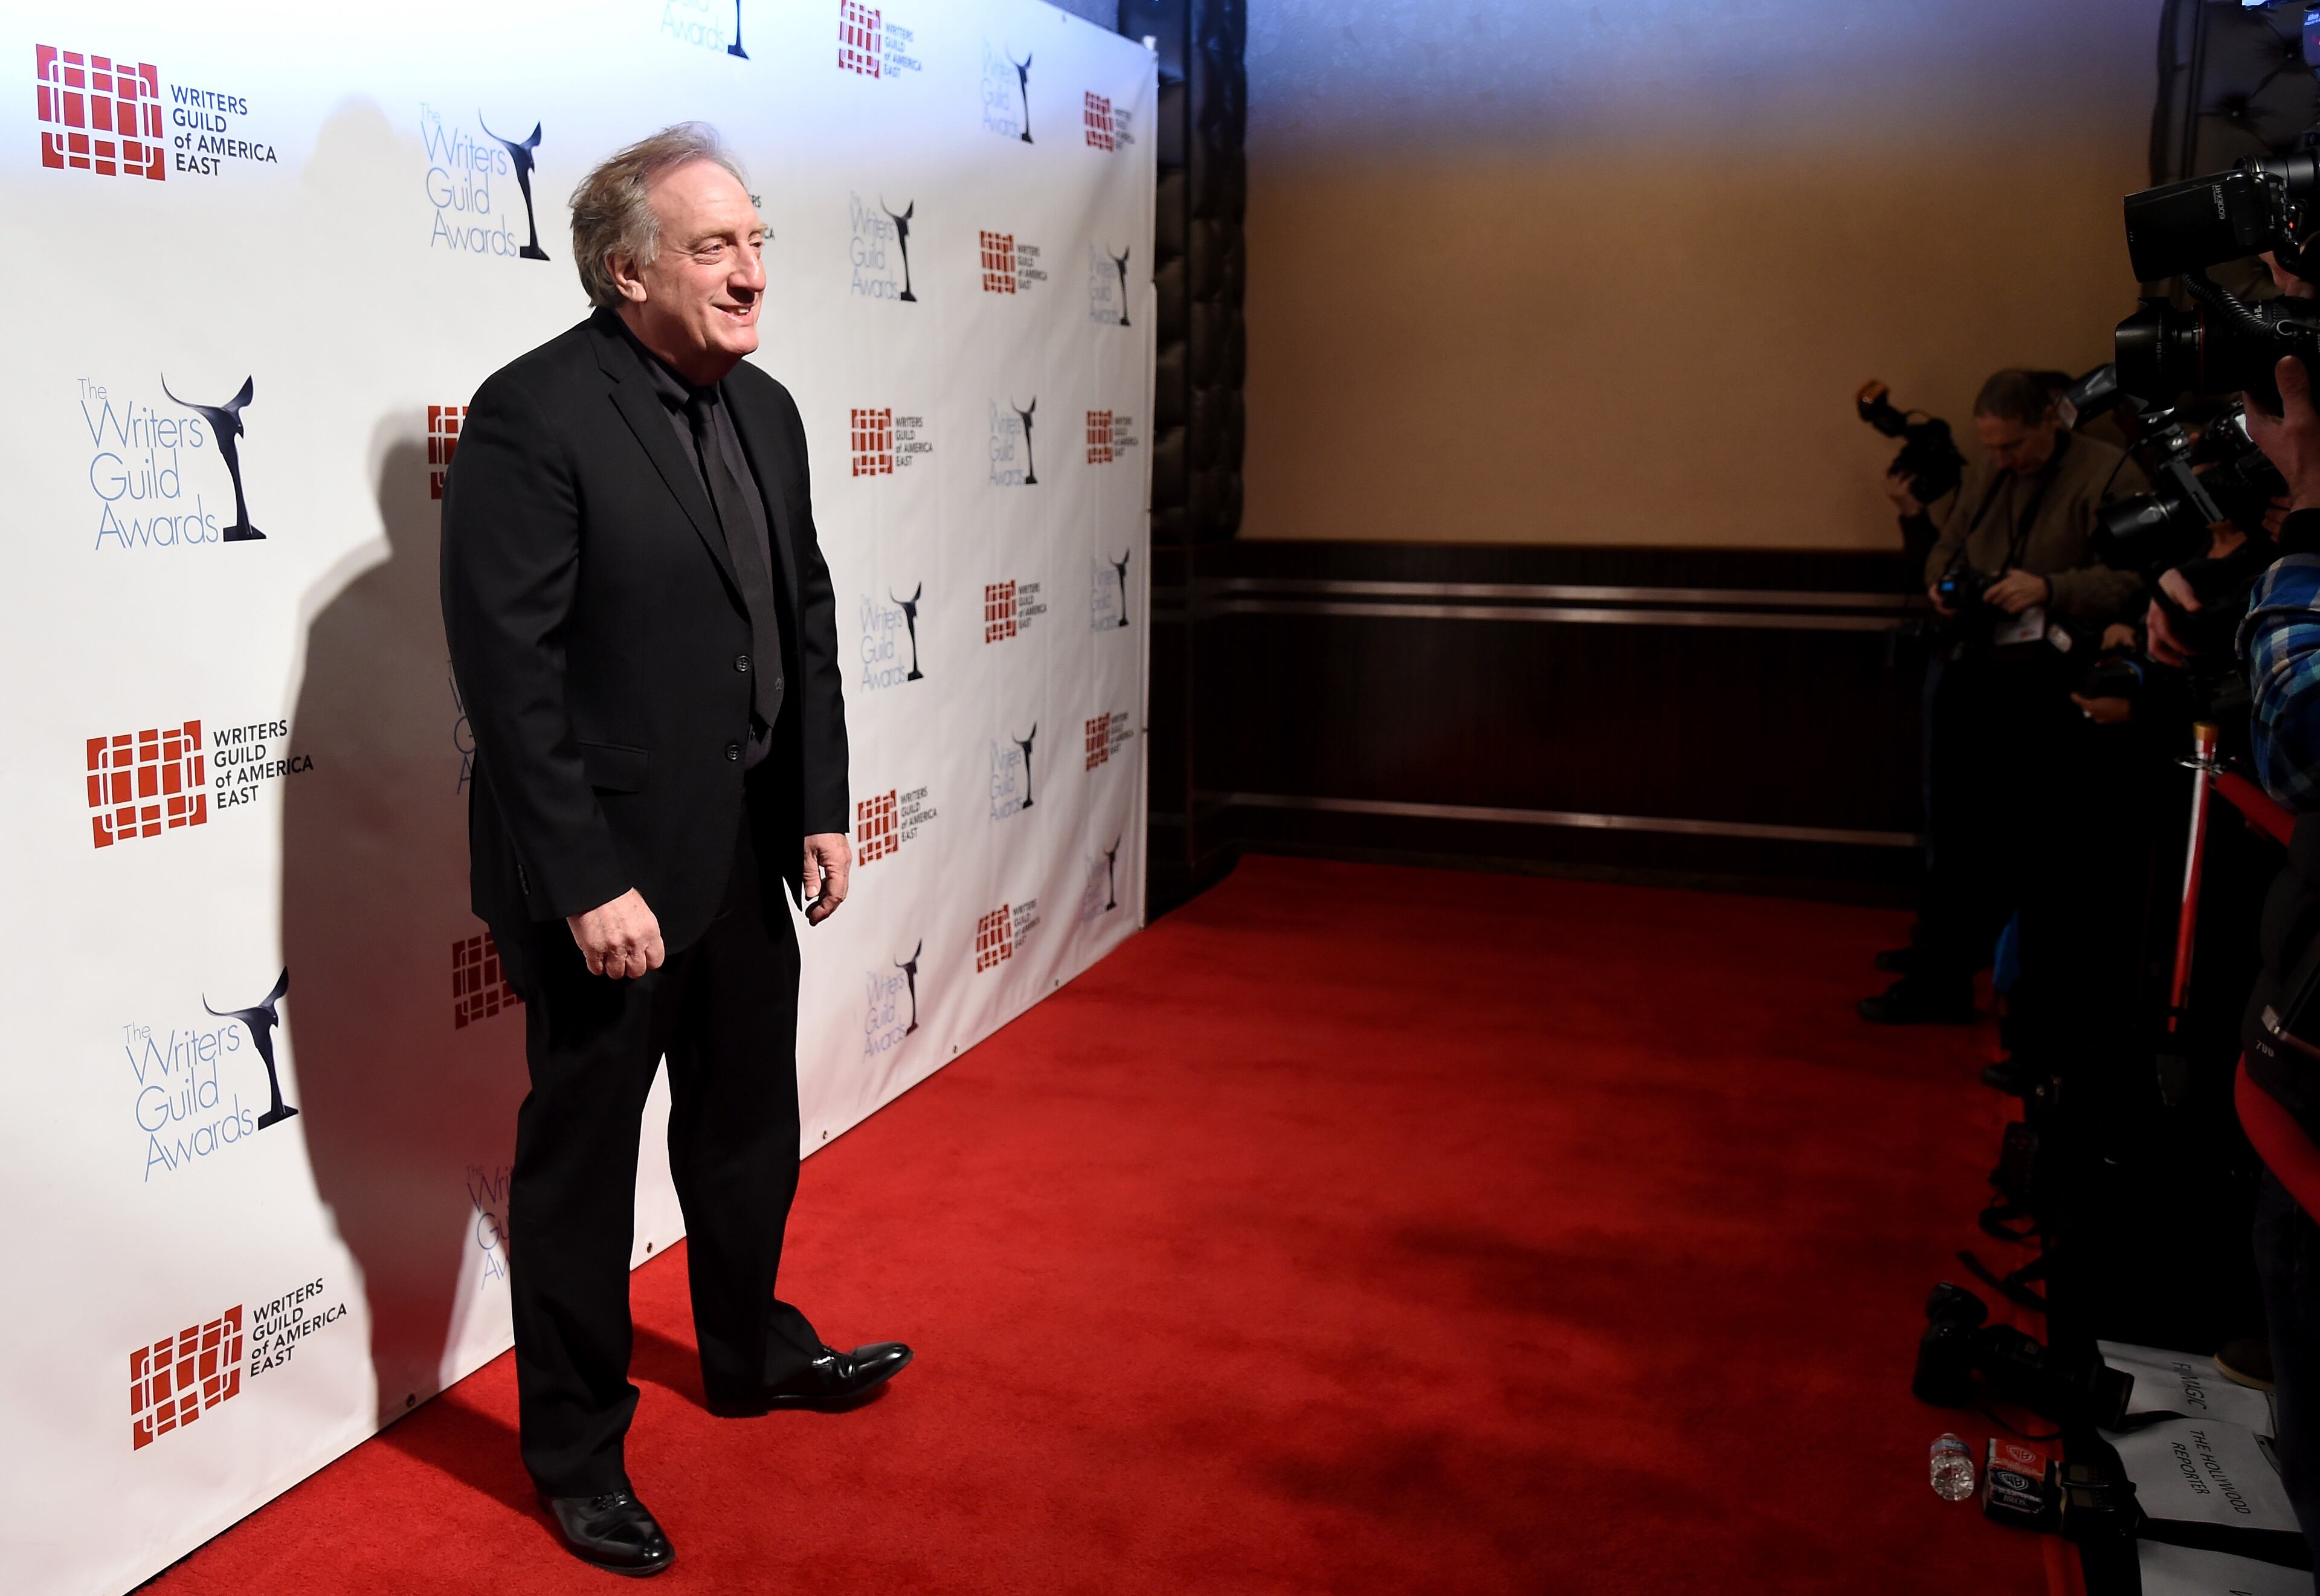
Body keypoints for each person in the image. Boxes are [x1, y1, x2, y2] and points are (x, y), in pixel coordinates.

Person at [440, 123, 910, 1578]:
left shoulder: (766, 410)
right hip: (611, 887)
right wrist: (584, 880)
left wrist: (819, 801)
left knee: (743, 1136)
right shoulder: (534, 413)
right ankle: (577, 1452)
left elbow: (806, 615)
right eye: (715, 247)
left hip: (749, 850)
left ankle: (748, 1349)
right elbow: (507, 675)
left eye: (757, 240)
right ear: (625, 268)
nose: (751, 269)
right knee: (582, 1177)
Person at [1861, 368, 2147, 1023]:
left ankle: (2020, 997)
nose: (2002, 459)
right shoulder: (1990, 475)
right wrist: (1944, 588)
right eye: (1992, 446)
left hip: (2048, 682)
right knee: (1957, 834)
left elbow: (2135, 576)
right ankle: (1941, 973)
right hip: (1974, 669)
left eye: (2013, 445)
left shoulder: (2108, 473)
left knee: (2033, 847)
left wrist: (2049, 588)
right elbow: (1946, 553)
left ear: (2052, 418)